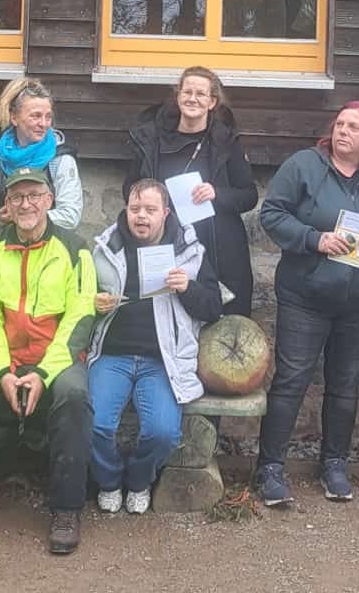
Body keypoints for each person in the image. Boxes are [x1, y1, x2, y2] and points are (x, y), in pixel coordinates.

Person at [0, 166, 96, 555]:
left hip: (54, 360)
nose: (26, 204)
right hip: (2, 357)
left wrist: (42, 373)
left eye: (34, 196)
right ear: (6, 205)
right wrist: (3, 372)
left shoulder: (76, 249)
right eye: (17, 197)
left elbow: (80, 318)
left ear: (49, 201)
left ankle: (66, 508)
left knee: (75, 396)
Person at [253, 102, 359, 508]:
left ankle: (335, 464)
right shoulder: (304, 165)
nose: (344, 131)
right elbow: (272, 213)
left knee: (345, 386)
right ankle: (270, 466)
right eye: (340, 124)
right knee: (291, 381)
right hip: (305, 296)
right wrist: (315, 239)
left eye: (354, 126)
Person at [89, 178, 222, 514]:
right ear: (126, 211)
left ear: (166, 212)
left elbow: (213, 307)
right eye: (135, 209)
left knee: (163, 432)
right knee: (94, 424)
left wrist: (187, 288)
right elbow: (76, 301)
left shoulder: (189, 251)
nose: (141, 217)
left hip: (162, 360)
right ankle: (108, 480)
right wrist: (93, 304)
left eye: (150, 210)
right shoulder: (105, 249)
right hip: (112, 354)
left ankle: (138, 480)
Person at [124, 66, 258, 316]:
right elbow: (129, 189)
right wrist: (150, 198)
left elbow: (249, 195)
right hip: (166, 245)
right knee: (167, 320)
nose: (192, 99)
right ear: (178, 97)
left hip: (219, 250)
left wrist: (217, 194)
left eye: (201, 94)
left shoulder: (227, 142)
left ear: (212, 102)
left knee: (221, 329)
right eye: (187, 92)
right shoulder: (153, 140)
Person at [0, 76, 82, 235]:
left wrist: (23, 217)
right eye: (36, 116)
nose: (44, 124)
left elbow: (71, 216)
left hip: (48, 251)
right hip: (1, 251)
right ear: (14, 117)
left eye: (48, 116)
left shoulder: (60, 159)